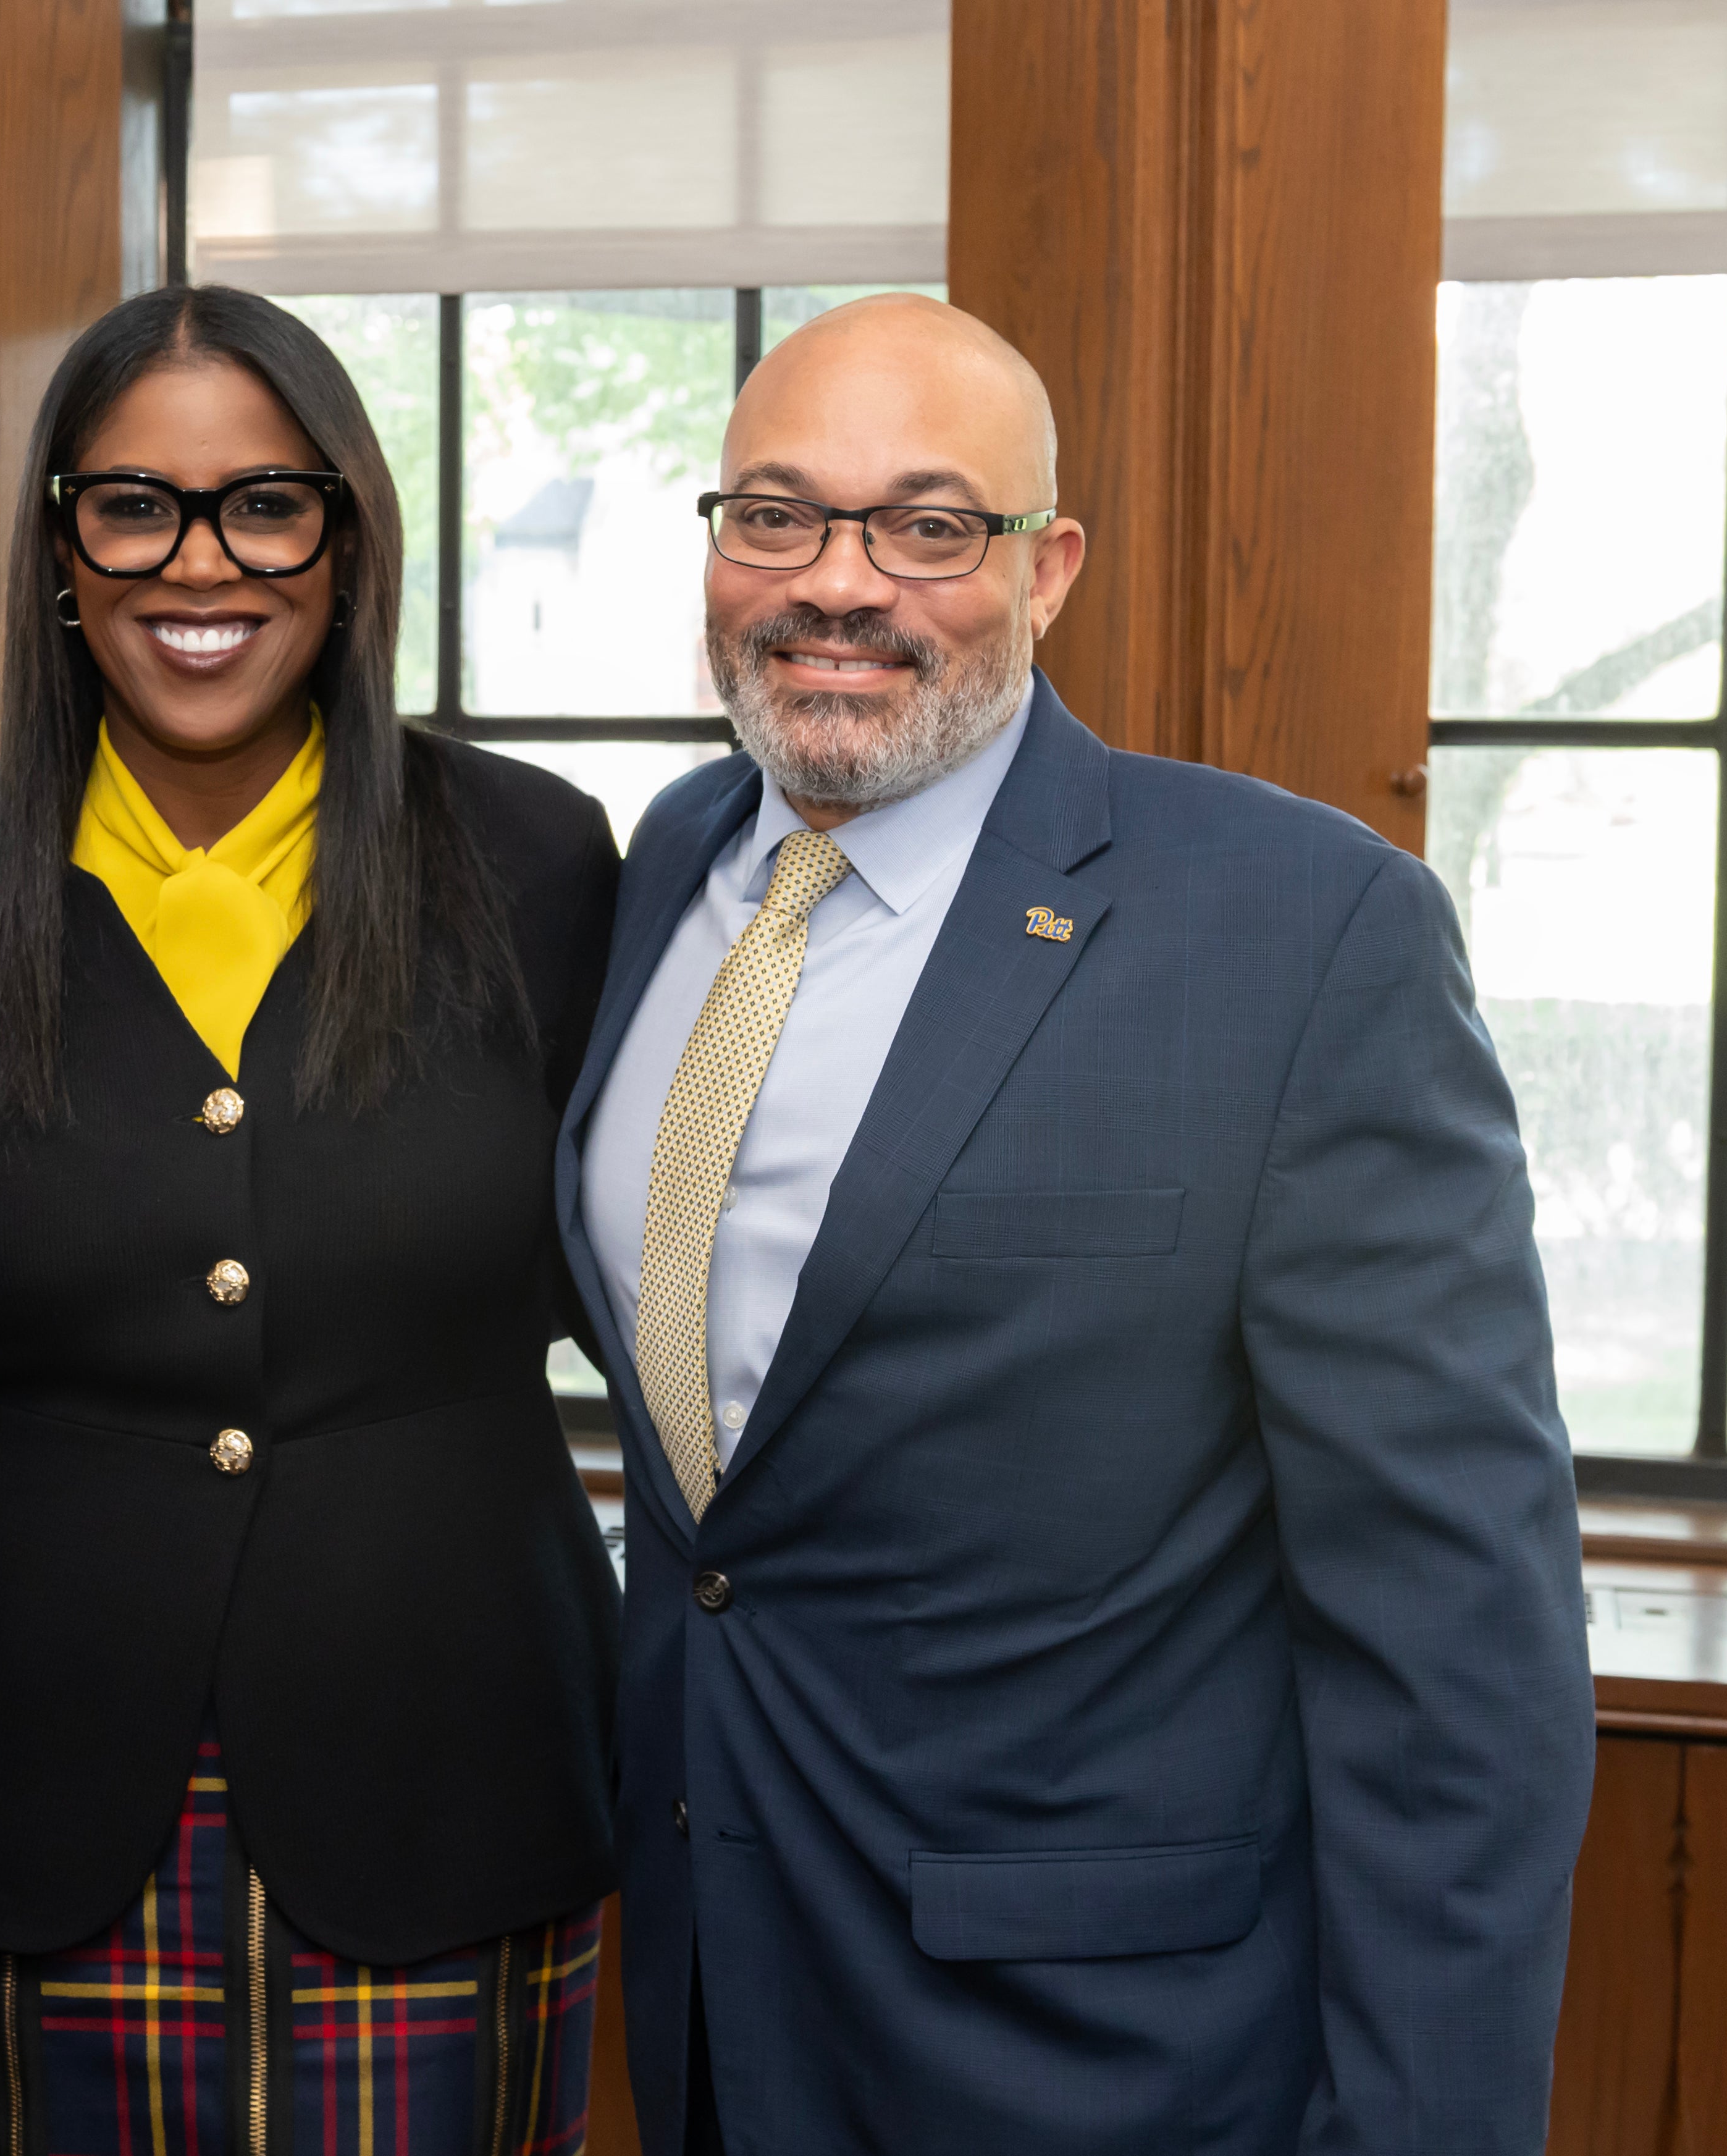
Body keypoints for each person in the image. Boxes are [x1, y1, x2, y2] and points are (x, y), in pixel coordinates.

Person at [562, 294, 1595, 2154]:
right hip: (721, 2005)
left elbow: (1457, 1650)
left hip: (1116, 2060)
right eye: (776, 515)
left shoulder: (1299, 931)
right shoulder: (670, 870)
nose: (838, 583)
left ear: (1050, 570)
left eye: (930, 525)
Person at [0, 285, 621, 2153]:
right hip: (42, 1798)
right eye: (135, 506)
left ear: (346, 543)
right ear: (61, 553)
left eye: (267, 504)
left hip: (456, 1774)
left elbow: (666, 1276)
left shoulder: (538, 863)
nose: (203, 563)